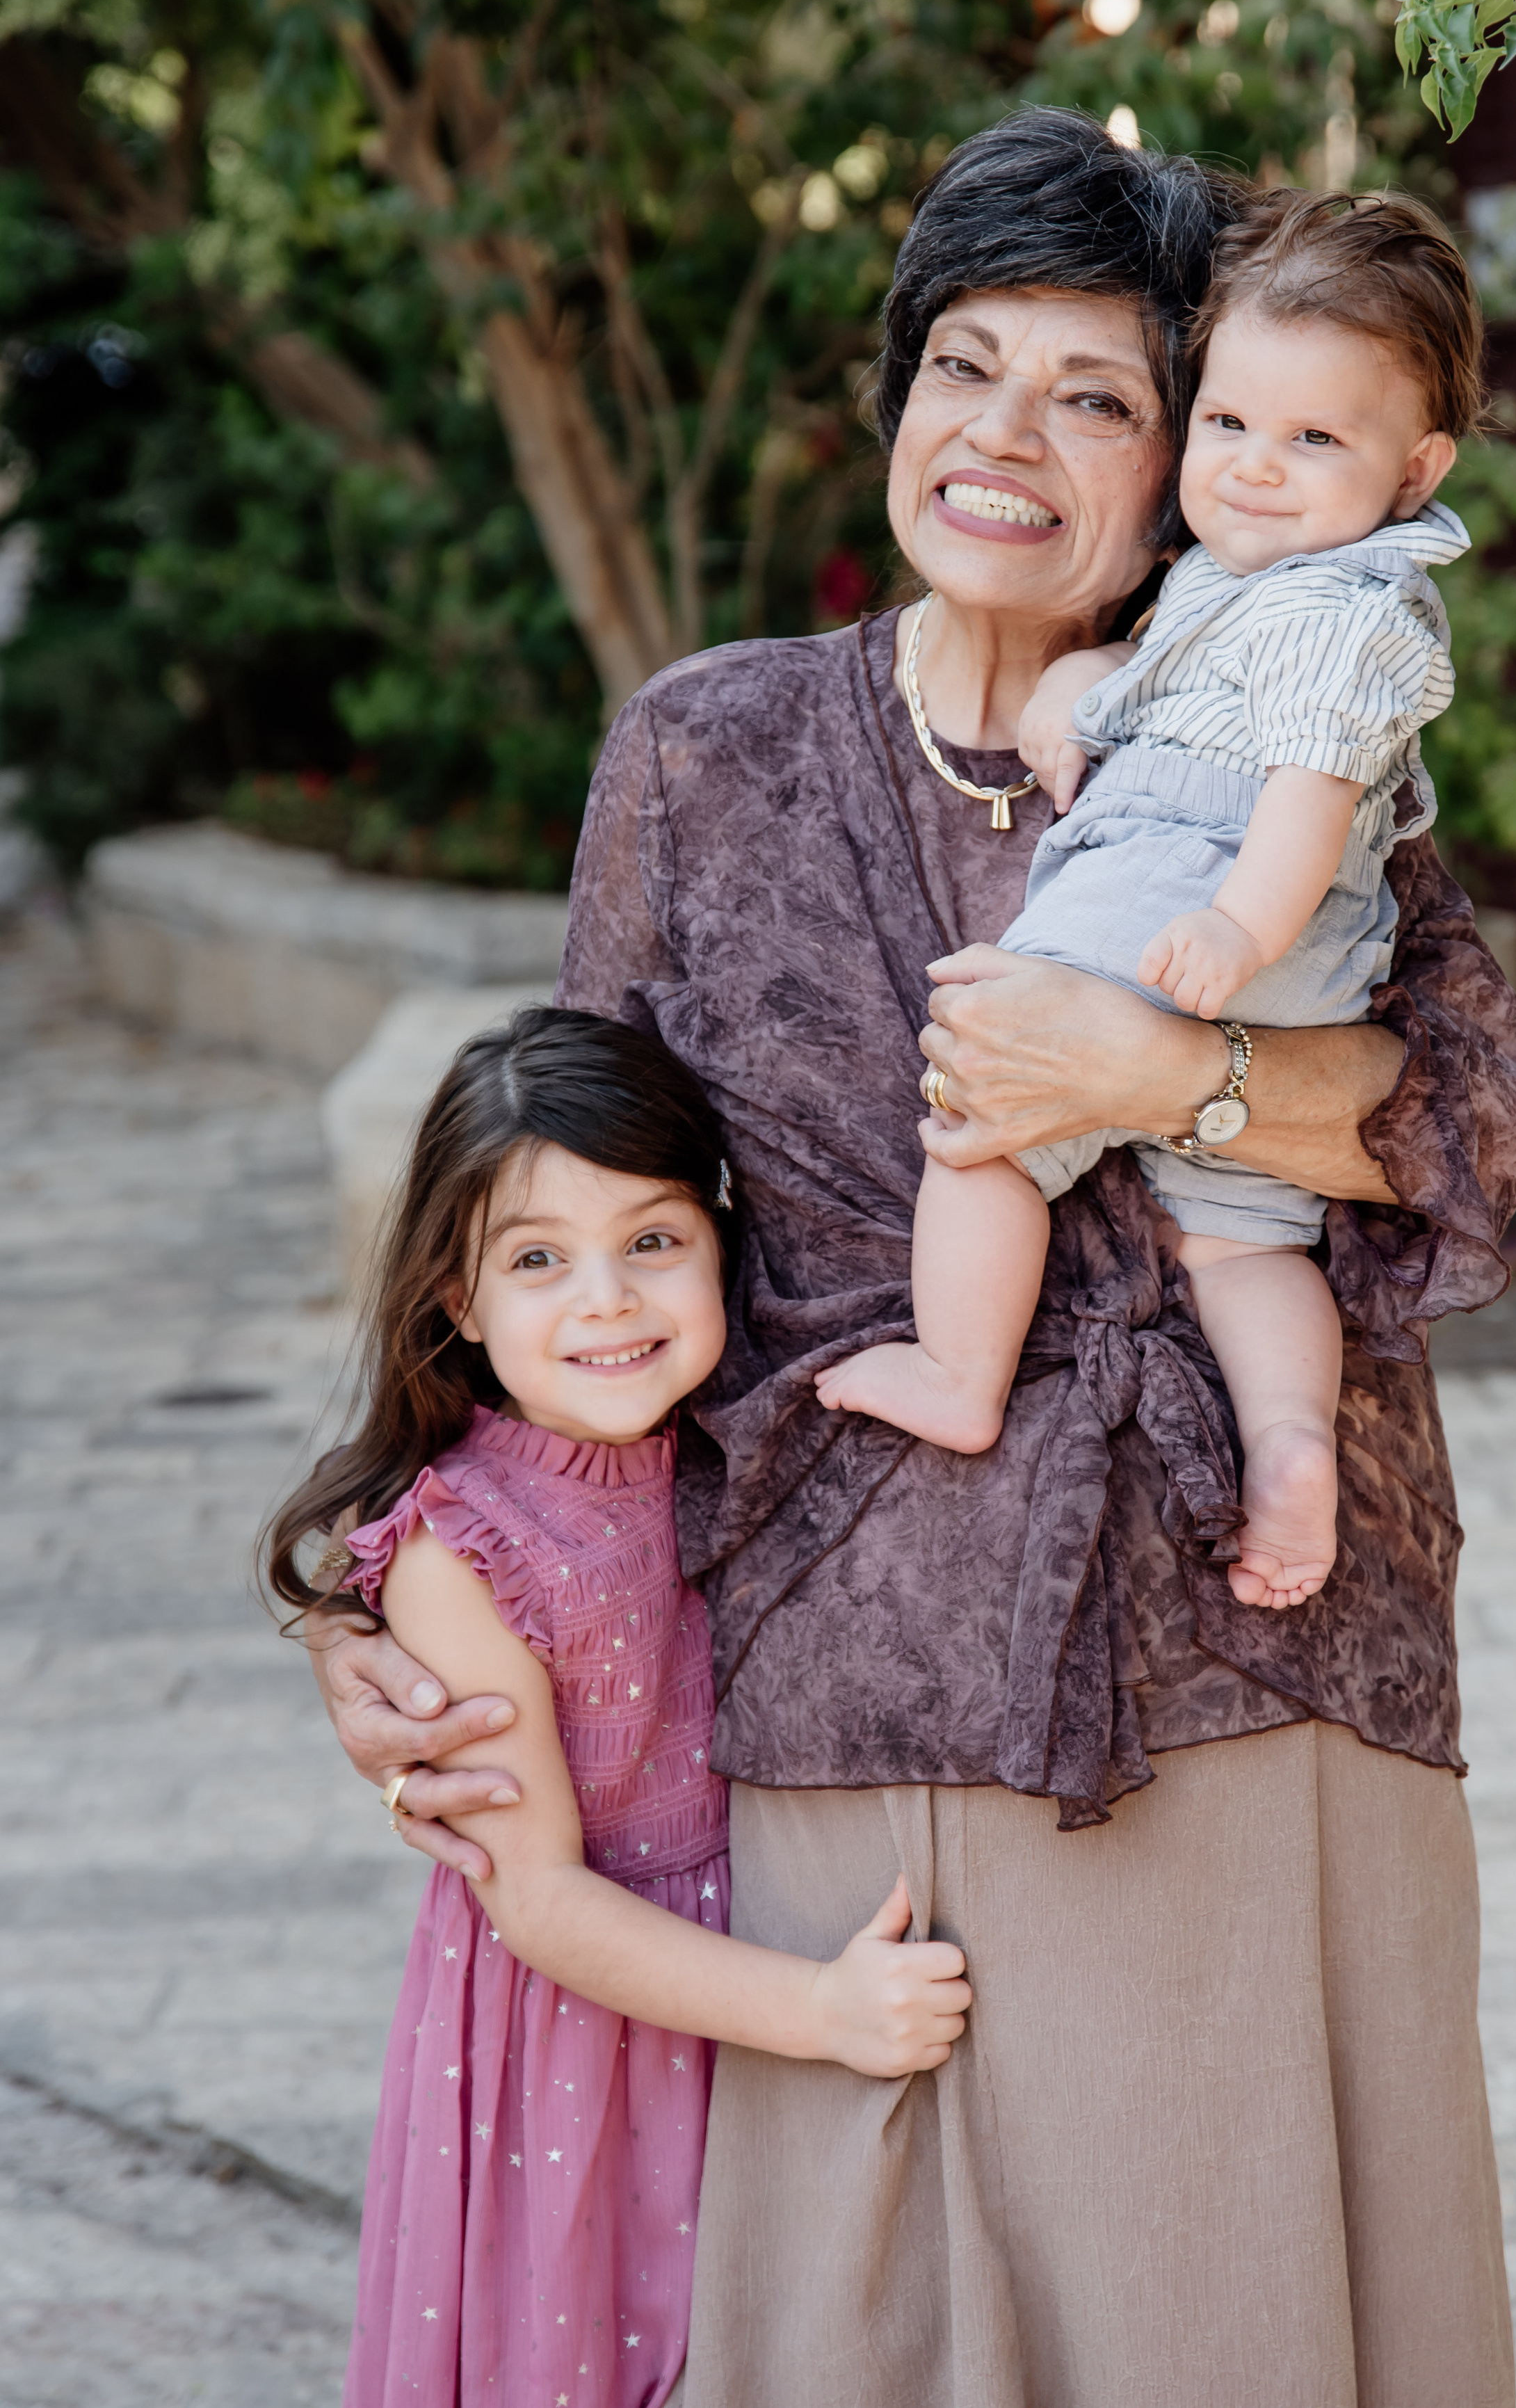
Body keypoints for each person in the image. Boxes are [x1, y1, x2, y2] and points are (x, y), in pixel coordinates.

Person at [305, 107, 1516, 2407]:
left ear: (1197, 462)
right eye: (963, 367)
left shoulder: (1284, 730)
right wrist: (398, 1593)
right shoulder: (707, 752)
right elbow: (563, 1229)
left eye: (1097, 396)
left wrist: (1154, 1077)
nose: (1006, 436)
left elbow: (1465, 1129)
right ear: (889, 402)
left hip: (1244, 1650)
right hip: (837, 1673)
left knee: (1217, 2291)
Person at [261, 1008, 970, 2408]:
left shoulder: (731, 1443)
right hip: (590, 2038)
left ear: (717, 1245)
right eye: (538, 1260)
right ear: (456, 1300)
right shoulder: (465, 1550)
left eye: (651, 1241)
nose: (607, 1300)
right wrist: (821, 2012)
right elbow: (539, 1899)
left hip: (747, 1970)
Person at [817, 190, 1481, 1621]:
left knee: (987, 1112)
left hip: (1189, 903)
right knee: (1246, 1237)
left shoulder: (1329, 609)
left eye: (1313, 440)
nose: (1254, 468)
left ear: (1415, 468)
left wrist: (1225, 951)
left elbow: (1304, 791)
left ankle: (956, 1370)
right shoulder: (1254, 582)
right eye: (1232, 425)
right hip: (1293, 956)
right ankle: (1288, 1441)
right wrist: (1082, 693)